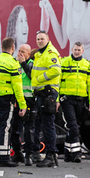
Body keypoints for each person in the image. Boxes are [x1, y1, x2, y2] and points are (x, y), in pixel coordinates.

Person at [0, 37, 26, 168]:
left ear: (2, 48)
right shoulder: (13, 64)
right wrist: (22, 105)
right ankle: (4, 158)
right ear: (12, 48)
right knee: (5, 127)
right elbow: (18, 87)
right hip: (5, 99)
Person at [60, 41, 90, 162]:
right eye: (75, 50)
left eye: (79, 50)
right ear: (72, 49)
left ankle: (67, 153)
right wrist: (57, 100)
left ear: (82, 51)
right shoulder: (63, 62)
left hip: (81, 100)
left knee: (75, 127)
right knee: (73, 126)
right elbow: (57, 82)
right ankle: (76, 153)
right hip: (67, 100)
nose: (76, 52)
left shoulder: (86, 64)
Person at [31, 30, 62, 168]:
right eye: (38, 39)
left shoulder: (50, 53)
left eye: (42, 39)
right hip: (41, 93)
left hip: (48, 93)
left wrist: (39, 79)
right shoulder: (40, 54)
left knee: (48, 125)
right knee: (41, 124)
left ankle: (50, 155)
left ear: (48, 39)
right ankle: (45, 154)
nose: (39, 41)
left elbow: (56, 70)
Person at [10, 43, 36, 165]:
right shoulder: (14, 63)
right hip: (16, 99)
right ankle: (18, 153)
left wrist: (23, 63)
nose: (19, 54)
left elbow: (32, 76)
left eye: (23, 52)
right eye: (19, 51)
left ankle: (29, 155)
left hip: (29, 99)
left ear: (29, 54)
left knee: (29, 130)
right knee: (14, 128)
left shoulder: (32, 63)